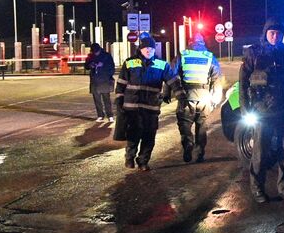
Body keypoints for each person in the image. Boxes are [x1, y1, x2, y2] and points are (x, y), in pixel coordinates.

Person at [239, 18, 284, 203]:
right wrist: (244, 108)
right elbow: (242, 82)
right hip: (262, 110)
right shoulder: (254, 53)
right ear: (265, 33)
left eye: (278, 33)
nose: (275, 36)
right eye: (272, 33)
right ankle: (257, 189)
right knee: (260, 152)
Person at [114, 33, 179, 171]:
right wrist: (119, 100)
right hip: (132, 107)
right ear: (140, 49)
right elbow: (121, 84)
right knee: (133, 134)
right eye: (146, 48)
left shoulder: (162, 65)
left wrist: (181, 96)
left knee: (149, 136)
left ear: (155, 50)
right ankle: (130, 157)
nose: (148, 50)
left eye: (151, 48)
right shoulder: (130, 62)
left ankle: (143, 160)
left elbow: (173, 81)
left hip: (151, 107)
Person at [175, 34, 223, 163]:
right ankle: (200, 153)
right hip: (204, 98)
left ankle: (188, 145)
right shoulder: (209, 57)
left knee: (185, 125)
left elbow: (173, 76)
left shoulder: (183, 55)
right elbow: (217, 79)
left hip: (186, 97)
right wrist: (215, 99)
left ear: (190, 42)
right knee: (201, 127)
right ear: (203, 43)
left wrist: (171, 93)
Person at [84, 42, 116, 124]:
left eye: (96, 52)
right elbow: (86, 66)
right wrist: (91, 65)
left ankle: (110, 115)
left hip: (105, 80)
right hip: (95, 81)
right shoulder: (90, 56)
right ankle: (100, 115)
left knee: (106, 99)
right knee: (97, 99)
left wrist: (103, 66)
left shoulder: (106, 56)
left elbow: (112, 68)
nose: (95, 53)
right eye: (93, 52)